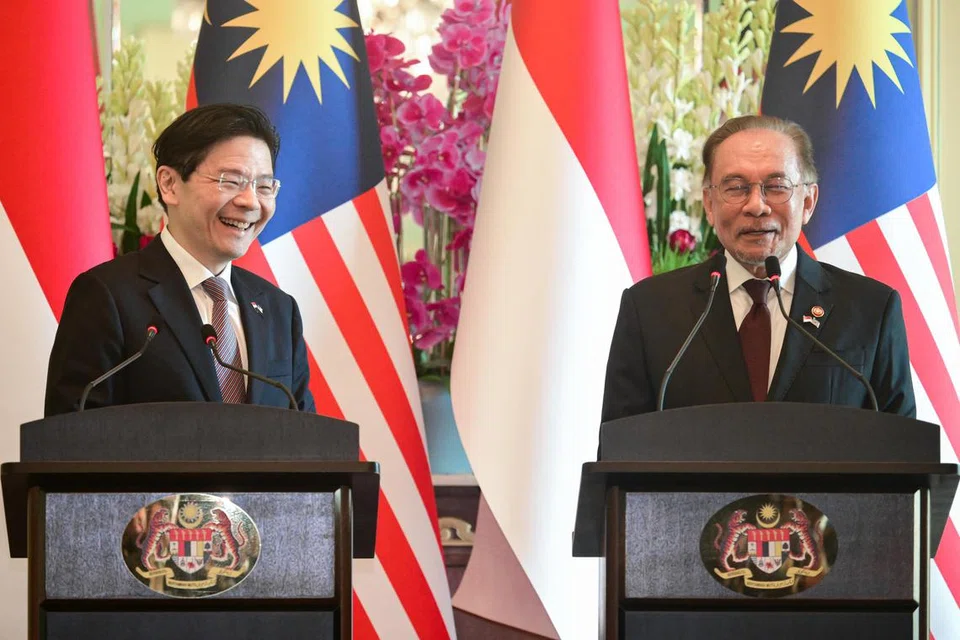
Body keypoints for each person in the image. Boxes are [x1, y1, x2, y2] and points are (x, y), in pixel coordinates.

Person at [600, 114, 915, 424]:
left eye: (776, 186)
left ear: (808, 202)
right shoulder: (649, 309)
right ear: (709, 203)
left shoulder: (870, 310)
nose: (756, 205)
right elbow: (621, 447)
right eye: (736, 187)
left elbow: (901, 448)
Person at [45, 104, 315, 415]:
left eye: (264, 186)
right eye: (231, 181)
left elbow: (305, 433)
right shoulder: (107, 296)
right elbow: (71, 434)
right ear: (170, 184)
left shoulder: (279, 310)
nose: (251, 202)